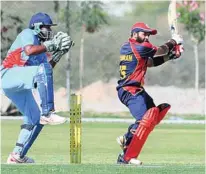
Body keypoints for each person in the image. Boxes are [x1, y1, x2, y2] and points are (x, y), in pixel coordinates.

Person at [1, 12, 73, 164]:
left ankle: (17, 156)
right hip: (8, 75)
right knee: (43, 114)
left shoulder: (40, 48)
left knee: (35, 119)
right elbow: (28, 51)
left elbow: (46, 70)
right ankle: (48, 112)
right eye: (47, 27)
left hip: (20, 82)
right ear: (37, 26)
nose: (49, 31)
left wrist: (57, 55)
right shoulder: (28, 33)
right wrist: (50, 45)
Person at [116, 22, 184, 165]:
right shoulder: (140, 46)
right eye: (144, 33)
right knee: (143, 121)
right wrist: (174, 41)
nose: (147, 37)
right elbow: (160, 50)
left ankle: (126, 152)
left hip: (135, 90)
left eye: (148, 34)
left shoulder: (128, 46)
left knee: (151, 118)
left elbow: (151, 62)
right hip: (130, 90)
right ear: (134, 34)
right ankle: (126, 144)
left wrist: (171, 56)